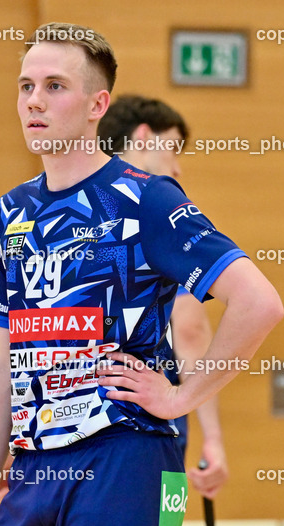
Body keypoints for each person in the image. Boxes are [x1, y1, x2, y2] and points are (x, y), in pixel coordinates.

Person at [0, 22, 282, 526]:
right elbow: (0, 363)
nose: (34, 102)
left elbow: (258, 303)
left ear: (98, 105)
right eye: (24, 87)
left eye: (55, 87)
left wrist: (185, 398)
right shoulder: (11, 212)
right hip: (34, 470)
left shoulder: (148, 199)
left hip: (124, 464)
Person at [97, 94, 227, 499]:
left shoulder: (62, 210)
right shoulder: (160, 212)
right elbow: (188, 331)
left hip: (56, 436)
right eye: (172, 148)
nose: (177, 166)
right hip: (141, 428)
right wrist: (213, 438)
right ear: (142, 137)